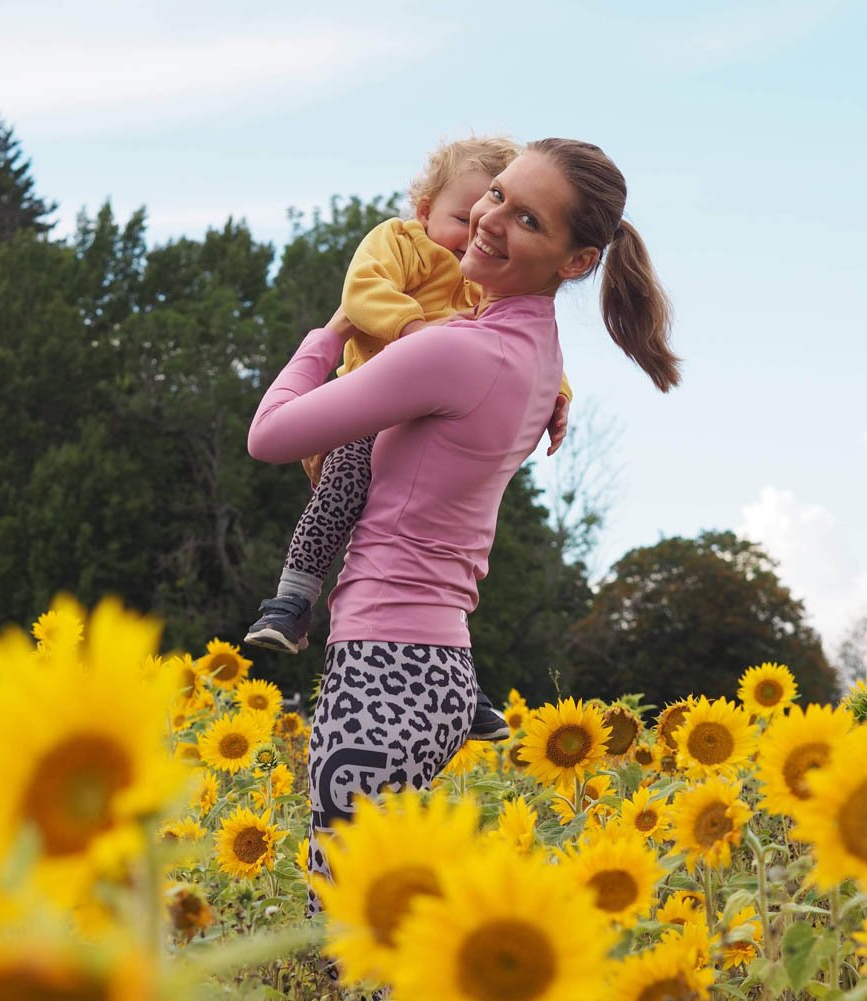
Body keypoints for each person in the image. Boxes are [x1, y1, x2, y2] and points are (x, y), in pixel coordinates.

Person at [247, 139, 680, 940]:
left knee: (347, 944)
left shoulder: (452, 350)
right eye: (498, 195)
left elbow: (269, 435)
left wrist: (333, 327)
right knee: (383, 938)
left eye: (528, 218)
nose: (489, 220)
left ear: (578, 259)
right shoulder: (539, 359)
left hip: (385, 671)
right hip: (438, 673)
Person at [243, 136, 573, 741]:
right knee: (338, 499)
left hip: (427, 424)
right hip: (367, 412)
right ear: (423, 210)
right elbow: (363, 292)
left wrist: (559, 396)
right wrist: (413, 330)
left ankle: (459, 685)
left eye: (508, 211)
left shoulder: (485, 283)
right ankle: (292, 602)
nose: (475, 228)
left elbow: (517, 338)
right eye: (468, 211)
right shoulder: (399, 242)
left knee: (446, 539)